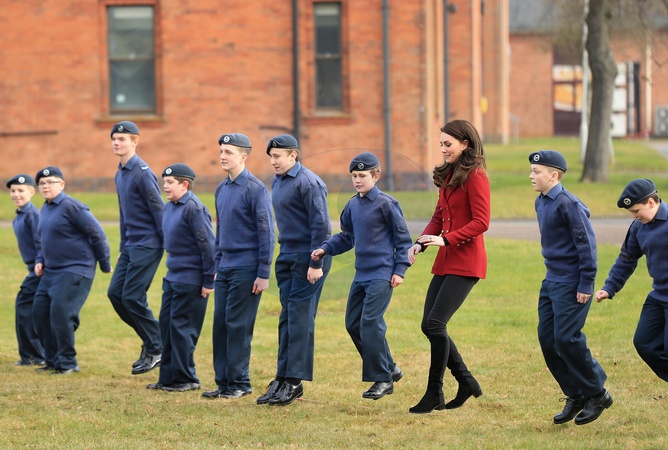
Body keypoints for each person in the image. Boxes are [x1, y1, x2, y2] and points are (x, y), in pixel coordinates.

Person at [312, 152, 411, 400]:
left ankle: (383, 379)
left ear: (376, 176)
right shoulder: (352, 206)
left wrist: (399, 270)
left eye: (362, 176)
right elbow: (347, 237)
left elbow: (403, 241)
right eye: (354, 176)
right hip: (361, 274)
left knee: (370, 323)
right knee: (353, 324)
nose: (357, 180)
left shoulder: (387, 204)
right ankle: (390, 367)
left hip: (382, 273)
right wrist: (325, 249)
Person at [406, 120, 488, 414]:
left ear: (465, 144)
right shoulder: (448, 174)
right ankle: (466, 382)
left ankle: (434, 392)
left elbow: (481, 222)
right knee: (428, 325)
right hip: (445, 260)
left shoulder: (476, 176)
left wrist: (446, 239)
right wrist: (421, 242)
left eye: (448, 144)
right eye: (440, 144)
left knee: (436, 324)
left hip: (467, 261)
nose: (442, 149)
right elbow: (438, 216)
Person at [528, 150, 612, 425]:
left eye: (537, 172)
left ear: (554, 175)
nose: (531, 176)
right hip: (551, 280)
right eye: (531, 171)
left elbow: (587, 245)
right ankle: (575, 394)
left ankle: (597, 393)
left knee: (567, 338)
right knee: (547, 339)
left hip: (573, 282)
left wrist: (586, 282)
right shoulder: (541, 201)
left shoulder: (569, 205)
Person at [257, 134, 332, 406]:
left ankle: (295, 381)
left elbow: (322, 227)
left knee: (300, 317)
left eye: (278, 156)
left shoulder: (309, 183)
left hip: (308, 256)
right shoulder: (278, 181)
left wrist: (315, 263)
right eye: (271, 157)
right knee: (287, 316)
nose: (273, 161)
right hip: (287, 254)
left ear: (293, 155)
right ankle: (282, 377)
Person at [202, 133, 275, 400]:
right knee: (221, 325)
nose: (222, 156)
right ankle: (224, 383)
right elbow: (220, 232)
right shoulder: (221, 189)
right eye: (221, 151)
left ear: (243, 157)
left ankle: (240, 383)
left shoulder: (256, 190)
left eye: (228, 152)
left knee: (238, 326)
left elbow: (267, 233)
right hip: (225, 269)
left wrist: (263, 273)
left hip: (247, 269)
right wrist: (216, 266)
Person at [32, 166, 112, 375]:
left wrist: (104, 264)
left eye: (50, 182)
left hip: (75, 269)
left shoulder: (73, 207)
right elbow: (42, 239)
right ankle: (52, 361)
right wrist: (40, 259)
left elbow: (97, 235)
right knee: (40, 313)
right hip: (51, 272)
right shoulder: (46, 208)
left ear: (62, 184)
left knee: (61, 314)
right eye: (42, 183)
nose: (45, 186)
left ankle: (68, 363)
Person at [146, 164, 215, 392]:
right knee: (166, 328)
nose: (165, 186)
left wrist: (208, 281)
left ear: (184, 184)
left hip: (191, 280)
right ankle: (167, 378)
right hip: (172, 278)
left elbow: (208, 246)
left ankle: (187, 379)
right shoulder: (169, 208)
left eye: (170, 182)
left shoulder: (194, 209)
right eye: (164, 182)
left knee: (182, 330)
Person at [595, 178, 668, 383]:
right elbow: (626, 259)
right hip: (659, 295)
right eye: (631, 213)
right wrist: (610, 287)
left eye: (636, 211)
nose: (634, 216)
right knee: (644, 343)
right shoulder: (638, 227)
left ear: (651, 202)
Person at [107, 120, 165, 375]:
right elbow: (124, 214)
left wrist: (170, 246)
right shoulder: (120, 173)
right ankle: (153, 341)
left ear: (135, 142)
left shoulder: (142, 172)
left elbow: (159, 211)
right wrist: (122, 246)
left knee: (132, 296)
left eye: (122, 139)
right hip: (130, 245)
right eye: (114, 139)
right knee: (115, 294)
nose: (117, 143)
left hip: (148, 244)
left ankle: (156, 347)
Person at [6, 174, 45, 366]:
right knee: (28, 309)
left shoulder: (32, 215)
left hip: (39, 270)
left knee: (25, 307)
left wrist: (40, 264)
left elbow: (41, 242)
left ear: (31, 192)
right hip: (32, 269)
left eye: (21, 190)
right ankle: (32, 355)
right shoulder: (20, 215)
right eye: (13, 191)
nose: (16, 194)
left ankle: (34, 356)